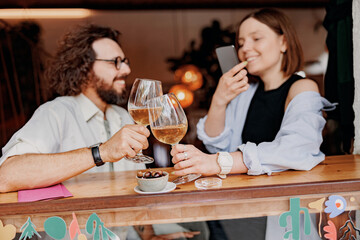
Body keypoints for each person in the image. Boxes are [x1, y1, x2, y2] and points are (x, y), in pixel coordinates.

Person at [0, 24, 206, 240]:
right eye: (115, 62)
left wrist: (149, 236)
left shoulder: (126, 116)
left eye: (125, 62)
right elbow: (6, 176)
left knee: (197, 231)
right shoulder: (56, 113)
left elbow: (135, 193)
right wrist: (102, 152)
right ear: (85, 68)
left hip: (126, 236)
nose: (126, 70)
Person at [170, 8, 335, 240]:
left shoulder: (303, 88)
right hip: (238, 207)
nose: (245, 48)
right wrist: (219, 99)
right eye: (241, 42)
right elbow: (217, 145)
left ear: (283, 42)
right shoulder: (246, 93)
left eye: (256, 38)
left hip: (280, 213)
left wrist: (218, 163)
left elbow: (296, 148)